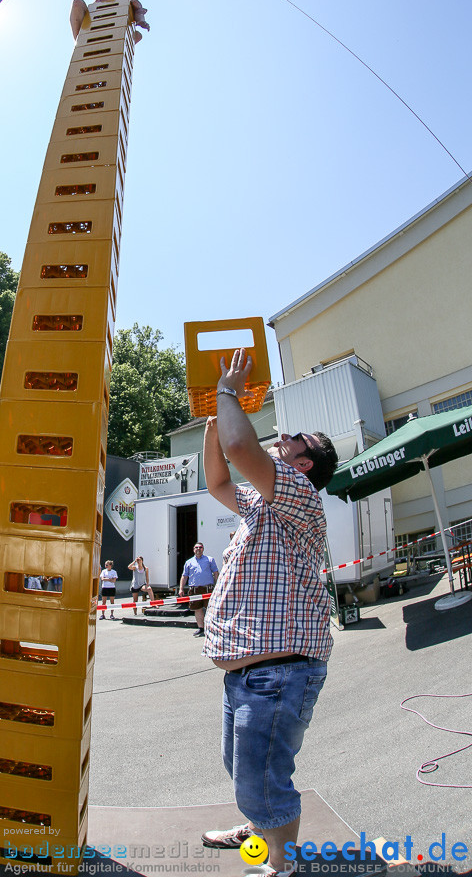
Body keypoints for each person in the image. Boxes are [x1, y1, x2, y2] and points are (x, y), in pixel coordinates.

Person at [200, 349, 338, 877]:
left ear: (304, 464)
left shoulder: (299, 493)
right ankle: (259, 829)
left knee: (263, 783)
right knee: (243, 772)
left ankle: (281, 866)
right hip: (250, 673)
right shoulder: (262, 503)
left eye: (296, 440)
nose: (284, 438)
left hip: (279, 673)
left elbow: (241, 446)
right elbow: (217, 479)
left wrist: (231, 392)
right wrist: (214, 418)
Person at [70, 0, 150, 45]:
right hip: (97, 18)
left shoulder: (135, 2)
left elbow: (140, 17)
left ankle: (113, 51)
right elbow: (101, 3)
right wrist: (124, 3)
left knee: (138, 35)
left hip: (116, 28)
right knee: (78, 3)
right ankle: (79, 41)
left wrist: (142, 20)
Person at [179, 543, 219, 636]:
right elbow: (184, 576)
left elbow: (216, 573)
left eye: (200, 547)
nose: (198, 549)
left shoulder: (209, 560)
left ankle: (212, 628)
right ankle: (201, 628)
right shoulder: (189, 562)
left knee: (210, 609)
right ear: (193, 549)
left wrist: (217, 586)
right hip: (194, 590)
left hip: (208, 589)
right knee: (197, 609)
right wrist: (181, 589)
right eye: (196, 547)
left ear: (203, 549)